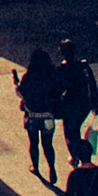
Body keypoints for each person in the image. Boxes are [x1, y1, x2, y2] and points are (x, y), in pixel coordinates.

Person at [14, 48, 62, 183]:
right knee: (48, 144)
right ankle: (52, 168)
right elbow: (59, 91)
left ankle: (36, 167)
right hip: (48, 116)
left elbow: (21, 93)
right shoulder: (52, 75)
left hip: (32, 116)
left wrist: (17, 86)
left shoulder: (29, 77)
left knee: (33, 143)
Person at [56, 39, 98, 164]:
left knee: (70, 132)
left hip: (69, 104)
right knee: (75, 129)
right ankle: (80, 154)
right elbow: (92, 84)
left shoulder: (62, 68)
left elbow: (59, 88)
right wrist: (96, 103)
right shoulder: (83, 66)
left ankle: (75, 156)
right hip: (84, 102)